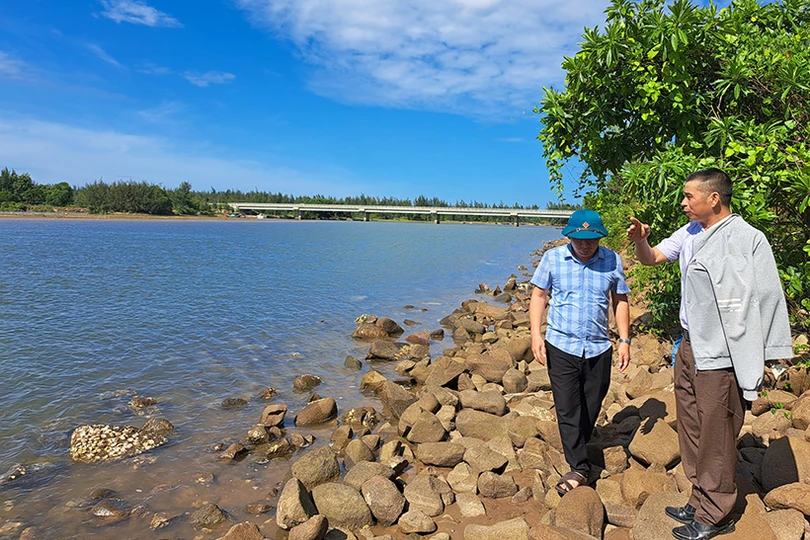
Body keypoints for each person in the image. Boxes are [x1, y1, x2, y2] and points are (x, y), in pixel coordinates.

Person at [626, 168, 792, 540]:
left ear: (713, 198)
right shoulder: (689, 232)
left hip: (723, 351)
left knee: (717, 429)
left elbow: (768, 295)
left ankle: (716, 512)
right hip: (689, 345)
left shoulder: (748, 238)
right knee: (691, 424)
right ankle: (700, 495)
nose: (683, 203)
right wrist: (641, 241)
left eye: (689, 196)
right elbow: (652, 258)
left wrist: (768, 352)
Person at [530, 209, 631, 496]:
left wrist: (624, 340)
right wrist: (536, 334)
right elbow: (539, 295)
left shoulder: (612, 260)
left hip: (598, 346)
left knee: (592, 402)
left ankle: (577, 442)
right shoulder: (553, 259)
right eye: (579, 240)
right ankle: (579, 467)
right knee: (567, 406)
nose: (585, 246)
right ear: (569, 237)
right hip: (561, 344)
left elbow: (620, 300)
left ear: (600, 238)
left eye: (591, 240)